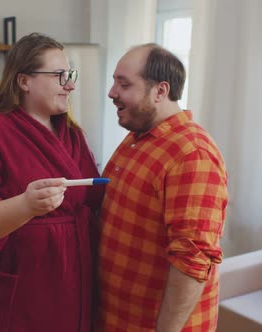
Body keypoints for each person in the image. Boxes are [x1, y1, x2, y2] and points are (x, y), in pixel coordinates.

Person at [0, 33, 104, 331]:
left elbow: (93, 199)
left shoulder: (72, 134)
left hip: (69, 284)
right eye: (59, 76)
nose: (70, 85)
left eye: (70, 75)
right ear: (24, 81)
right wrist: (26, 205)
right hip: (13, 290)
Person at [95, 44, 229, 332]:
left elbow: (192, 261)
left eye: (124, 84)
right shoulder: (137, 136)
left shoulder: (192, 154)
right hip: (117, 316)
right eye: (114, 81)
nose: (112, 92)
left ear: (160, 91)